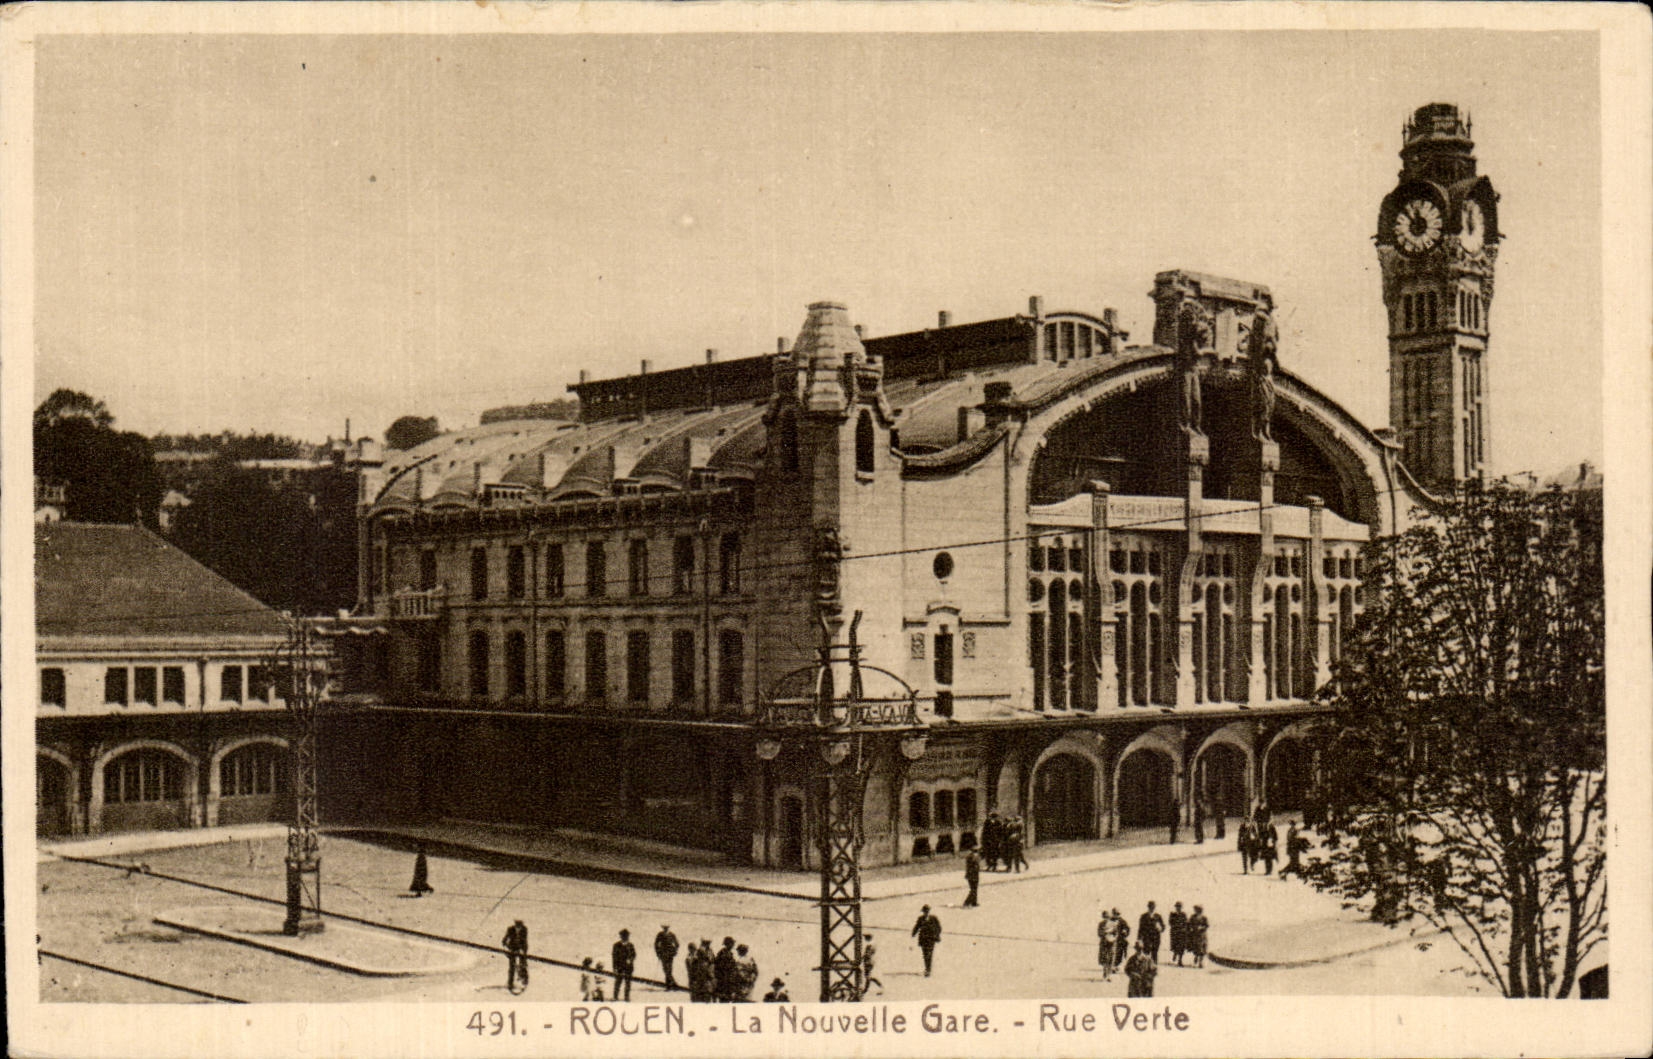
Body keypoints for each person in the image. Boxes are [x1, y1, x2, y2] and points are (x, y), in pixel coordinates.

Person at [911, 904, 942, 977]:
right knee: (925, 954)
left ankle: (928, 970)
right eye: (925, 911)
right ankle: (927, 968)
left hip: (931, 939)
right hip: (923, 939)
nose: (926, 913)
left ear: (929, 911)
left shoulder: (934, 918)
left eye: (927, 911)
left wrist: (936, 934)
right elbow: (917, 926)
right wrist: (913, 933)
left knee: (929, 954)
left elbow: (939, 927)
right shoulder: (920, 919)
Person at [502, 919, 529, 994]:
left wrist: (522, 950)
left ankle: (524, 980)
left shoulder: (524, 929)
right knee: (512, 967)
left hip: (521, 950)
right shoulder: (510, 929)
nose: (518, 927)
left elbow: (524, 940)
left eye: (520, 925)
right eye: (517, 925)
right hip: (512, 950)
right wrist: (507, 948)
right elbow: (504, 940)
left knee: (523, 965)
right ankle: (510, 983)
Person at [611, 928, 636, 1002]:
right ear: (621, 936)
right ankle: (615, 996)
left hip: (628, 967)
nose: (626, 937)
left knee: (628, 983)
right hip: (619, 967)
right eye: (624, 936)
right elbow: (614, 957)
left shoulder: (630, 945)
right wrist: (614, 967)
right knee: (618, 982)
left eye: (627, 936)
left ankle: (626, 997)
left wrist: (630, 960)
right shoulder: (616, 945)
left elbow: (634, 954)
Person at [654, 924, 680, 990]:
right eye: (664, 928)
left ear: (668, 928)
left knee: (669, 970)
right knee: (666, 970)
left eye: (666, 928)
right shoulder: (660, 934)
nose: (665, 929)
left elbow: (677, 944)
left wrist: (675, 951)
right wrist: (658, 952)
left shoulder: (671, 935)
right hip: (663, 954)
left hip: (670, 955)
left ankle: (669, 985)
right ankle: (672, 984)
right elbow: (656, 944)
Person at [713, 937, 739, 1002]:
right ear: (728, 944)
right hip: (724, 981)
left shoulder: (728, 953)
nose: (733, 945)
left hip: (728, 982)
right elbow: (720, 967)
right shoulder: (723, 953)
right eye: (732, 943)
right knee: (724, 1000)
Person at [1097, 910, 1118, 980]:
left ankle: (1109, 975)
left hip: (1112, 943)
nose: (1106, 918)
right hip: (1104, 943)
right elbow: (1099, 934)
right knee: (1104, 959)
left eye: (1107, 917)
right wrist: (1104, 934)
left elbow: (1116, 934)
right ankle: (1105, 973)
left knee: (1111, 959)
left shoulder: (1113, 924)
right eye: (1104, 917)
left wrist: (1113, 938)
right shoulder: (1101, 924)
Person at [1110, 908, 1131, 976]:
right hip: (1111, 940)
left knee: (1119, 954)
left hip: (1120, 940)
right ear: (1113, 914)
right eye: (1115, 914)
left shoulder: (1122, 921)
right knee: (1111, 953)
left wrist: (1125, 932)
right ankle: (1111, 966)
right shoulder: (1109, 921)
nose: (1117, 915)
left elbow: (1127, 928)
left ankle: (1116, 966)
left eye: (1118, 914)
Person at [1168, 902, 1188, 967]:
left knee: (1182, 947)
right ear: (1175, 907)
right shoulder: (1172, 914)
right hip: (1175, 932)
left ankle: (1180, 960)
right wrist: (1177, 926)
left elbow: (1186, 922)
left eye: (1180, 907)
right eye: (1177, 907)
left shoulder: (1184, 914)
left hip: (1182, 933)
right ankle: (1175, 953)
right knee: (1175, 945)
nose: (1178, 908)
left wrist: (1184, 928)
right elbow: (1170, 922)